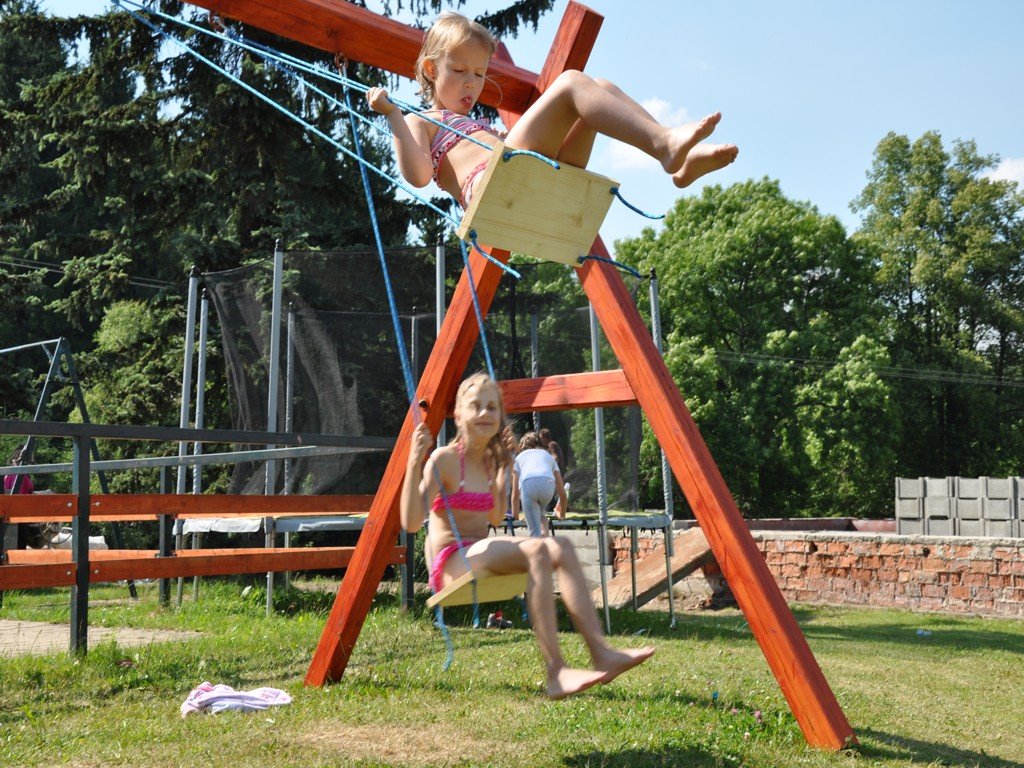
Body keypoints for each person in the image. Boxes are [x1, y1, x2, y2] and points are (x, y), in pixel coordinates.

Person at [401, 372, 654, 699]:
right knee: (538, 549)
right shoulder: (445, 460)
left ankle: (602, 653)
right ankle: (556, 672)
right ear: (458, 414)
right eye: (475, 406)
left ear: (500, 417)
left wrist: (503, 470)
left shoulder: (490, 462)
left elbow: (495, 517)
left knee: (561, 545)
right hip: (450, 564)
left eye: (492, 407)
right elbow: (410, 522)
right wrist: (414, 461)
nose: (484, 413)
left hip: (479, 552)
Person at [366, 12, 738, 211]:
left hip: (536, 170)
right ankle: (664, 144)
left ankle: (675, 160)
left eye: (479, 74)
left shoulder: (476, 126)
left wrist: (497, 137)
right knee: (572, 82)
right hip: (494, 184)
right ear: (431, 70)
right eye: (460, 70)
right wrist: (393, 115)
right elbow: (418, 176)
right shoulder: (422, 121)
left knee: (601, 87)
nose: (471, 83)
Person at [511, 431, 567, 536]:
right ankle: (545, 538)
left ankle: (538, 543)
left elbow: (515, 493)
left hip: (529, 485)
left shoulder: (519, 458)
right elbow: (563, 495)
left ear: (522, 448)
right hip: (547, 487)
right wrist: (562, 515)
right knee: (541, 514)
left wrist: (515, 517)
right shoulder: (549, 457)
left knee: (534, 533)